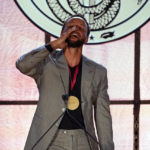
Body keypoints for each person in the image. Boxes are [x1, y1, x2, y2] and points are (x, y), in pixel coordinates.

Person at [16, 15, 114, 150]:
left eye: (80, 28)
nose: (75, 29)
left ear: (86, 38)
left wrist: (107, 147)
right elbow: (22, 65)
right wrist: (53, 45)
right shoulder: (46, 63)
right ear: (63, 33)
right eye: (70, 26)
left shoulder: (98, 71)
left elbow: (103, 115)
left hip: (84, 139)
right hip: (50, 138)